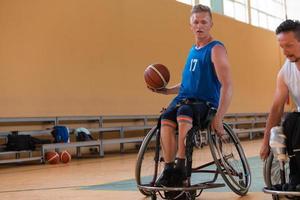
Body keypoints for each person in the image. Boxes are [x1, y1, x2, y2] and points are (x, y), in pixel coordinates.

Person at [150, 4, 233, 187]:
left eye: (204, 22)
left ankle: (181, 166)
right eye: (196, 22)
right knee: (165, 118)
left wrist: (219, 118)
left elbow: (227, 85)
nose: (199, 25)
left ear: (211, 24)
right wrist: (166, 91)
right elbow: (186, 85)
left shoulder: (216, 49)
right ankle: (169, 169)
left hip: (205, 104)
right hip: (185, 100)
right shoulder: (192, 50)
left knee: (184, 111)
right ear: (191, 26)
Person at [260, 19, 300, 190]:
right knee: (291, 121)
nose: (285, 51)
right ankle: (296, 179)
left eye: (289, 45)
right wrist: (266, 140)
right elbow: (277, 107)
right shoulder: (285, 72)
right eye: (282, 47)